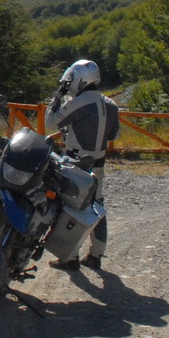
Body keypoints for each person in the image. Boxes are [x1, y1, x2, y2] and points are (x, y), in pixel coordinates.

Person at [44, 59, 119, 271]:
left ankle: (70, 257)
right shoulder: (111, 104)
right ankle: (96, 255)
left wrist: (58, 96)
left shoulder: (78, 103)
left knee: (69, 206)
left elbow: (50, 123)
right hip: (99, 163)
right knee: (97, 207)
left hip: (76, 162)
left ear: (78, 79)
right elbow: (114, 134)